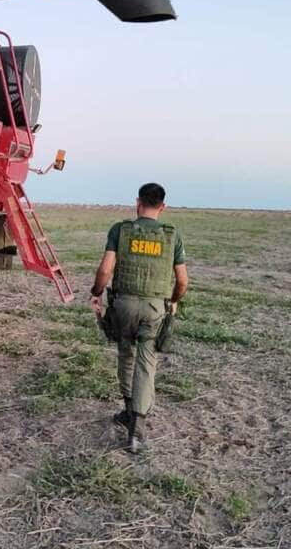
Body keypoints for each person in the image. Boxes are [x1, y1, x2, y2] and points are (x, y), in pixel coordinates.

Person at [89, 182, 188, 453]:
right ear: (163, 207)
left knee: (126, 355)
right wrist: (174, 301)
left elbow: (105, 269)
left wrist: (96, 293)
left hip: (123, 305)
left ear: (138, 202)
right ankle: (137, 429)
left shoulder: (120, 231)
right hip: (155, 308)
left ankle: (127, 412)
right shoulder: (172, 236)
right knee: (146, 363)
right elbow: (182, 281)